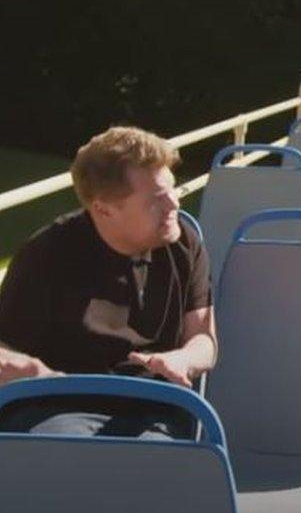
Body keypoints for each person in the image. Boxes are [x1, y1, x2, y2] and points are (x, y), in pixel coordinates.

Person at [0, 126, 216, 439]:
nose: (174, 204)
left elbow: (205, 342)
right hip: (59, 407)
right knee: (70, 457)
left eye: (173, 189)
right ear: (103, 209)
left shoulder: (185, 245)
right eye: (157, 199)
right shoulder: (48, 254)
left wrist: (183, 359)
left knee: (157, 465)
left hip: (153, 405)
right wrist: (25, 368)